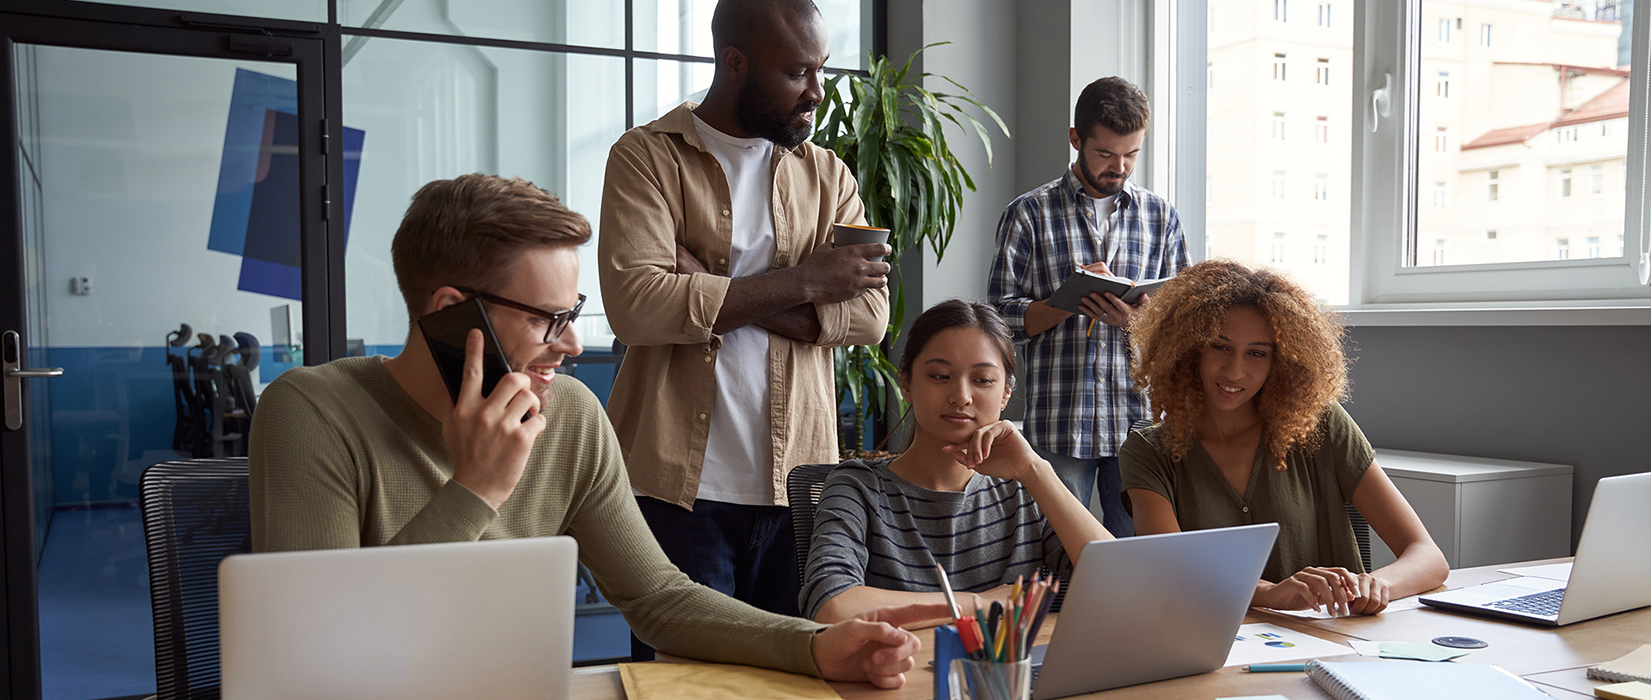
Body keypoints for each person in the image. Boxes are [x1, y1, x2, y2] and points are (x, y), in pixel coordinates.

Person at [249, 174, 941, 687]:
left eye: (572, 311)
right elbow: (320, 658)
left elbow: (657, 597)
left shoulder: (570, 416)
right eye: (548, 318)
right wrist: (475, 488)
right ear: (453, 312)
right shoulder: (311, 413)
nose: (573, 344)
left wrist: (815, 644)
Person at [598, 0, 891, 656]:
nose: (817, 91)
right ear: (735, 64)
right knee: (684, 684)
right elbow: (637, 306)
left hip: (798, 486)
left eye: (820, 70)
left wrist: (701, 285)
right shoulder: (647, 158)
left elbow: (870, 316)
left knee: (792, 678)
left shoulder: (828, 176)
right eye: (797, 73)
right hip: (674, 492)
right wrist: (809, 281)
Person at [1120, 260, 1450, 615]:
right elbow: (1170, 571)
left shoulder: (1320, 424)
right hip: (1214, 648)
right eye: (1220, 346)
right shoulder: (1148, 452)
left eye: (1257, 353)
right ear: (1189, 348)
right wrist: (1268, 593)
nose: (1235, 370)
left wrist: (1378, 585)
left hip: (1335, 642)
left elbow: (1428, 556)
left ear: (1281, 362)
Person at [801, 300, 1112, 623]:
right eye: (940, 376)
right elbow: (831, 606)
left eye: (982, 380)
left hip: (1012, 672)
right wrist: (978, 604)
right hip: (901, 671)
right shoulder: (857, 487)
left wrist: (1034, 470)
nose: (961, 396)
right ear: (906, 384)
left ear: (1006, 393)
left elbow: (1117, 583)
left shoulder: (1025, 488)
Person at [987, 76, 1189, 539]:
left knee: (1143, 564)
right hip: (1061, 422)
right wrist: (1069, 299)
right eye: (1105, 154)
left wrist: (1135, 320)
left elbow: (1183, 322)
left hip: (1140, 425)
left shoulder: (1162, 218)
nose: (1119, 167)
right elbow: (997, 322)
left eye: (1131, 154)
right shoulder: (1028, 213)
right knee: (1058, 555)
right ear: (1076, 139)